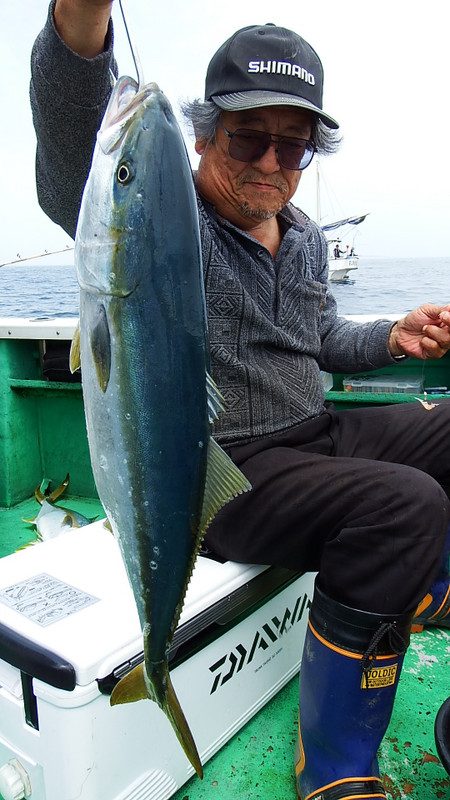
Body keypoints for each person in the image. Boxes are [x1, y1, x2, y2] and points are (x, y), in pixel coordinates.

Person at [30, 5, 450, 798]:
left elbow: (321, 336)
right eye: (246, 137)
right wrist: (78, 23)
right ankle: (332, 769)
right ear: (201, 133)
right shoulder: (161, 216)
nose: (269, 161)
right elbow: (75, 150)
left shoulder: (302, 235)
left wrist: (393, 334)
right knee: (406, 505)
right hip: (222, 469)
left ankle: (421, 587)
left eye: (291, 144)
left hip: (315, 436)